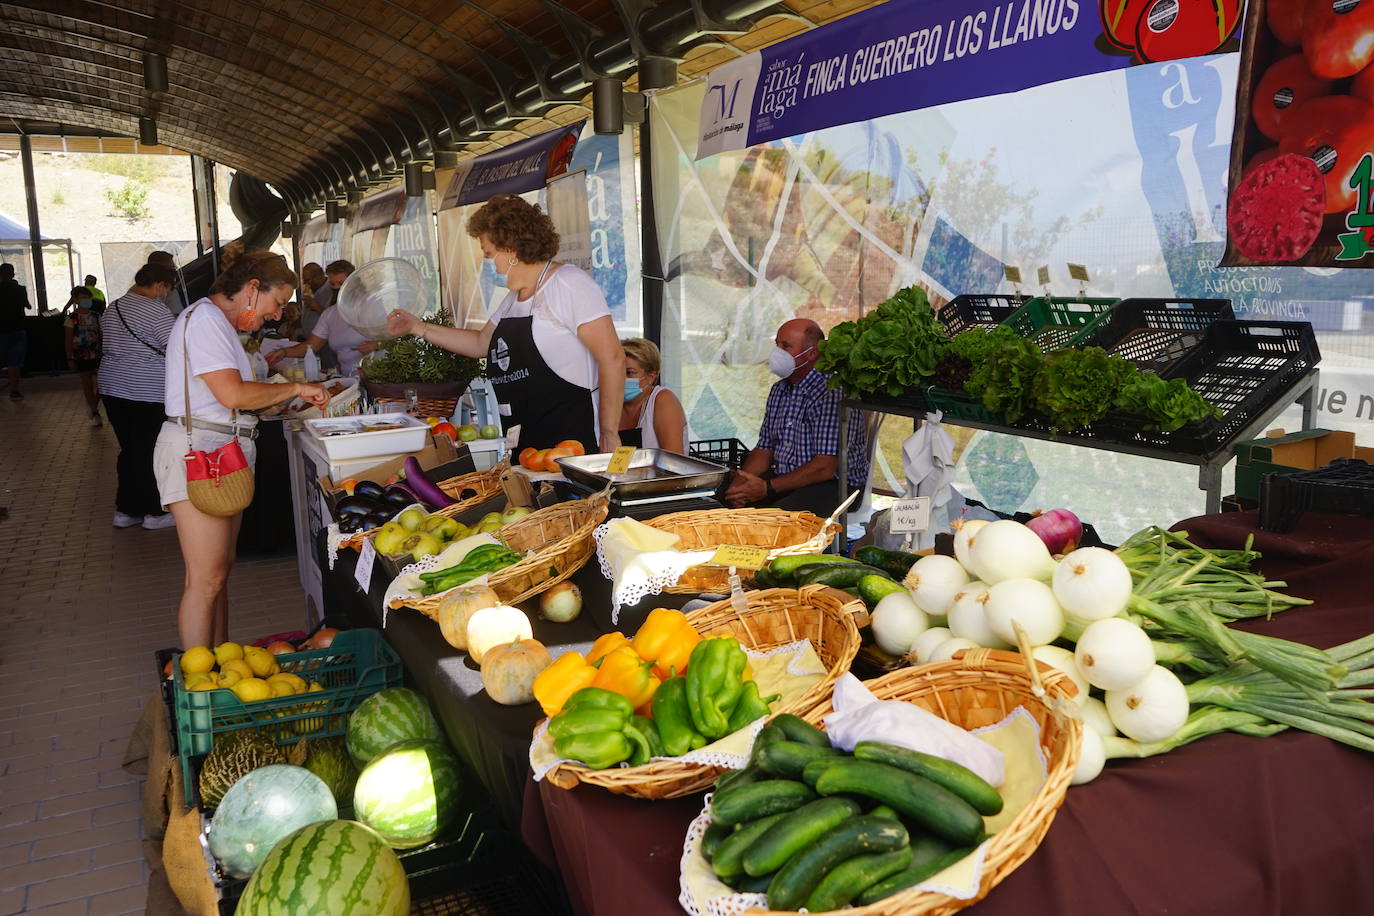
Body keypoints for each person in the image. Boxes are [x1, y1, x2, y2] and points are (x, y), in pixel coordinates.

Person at [152, 252, 328, 649]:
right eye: (277, 303)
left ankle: (221, 660)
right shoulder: (205, 321)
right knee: (206, 578)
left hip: (221, 453)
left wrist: (278, 401)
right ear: (252, 290)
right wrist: (296, 388)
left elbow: (233, 401)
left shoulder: (220, 326)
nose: (277, 315)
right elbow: (231, 393)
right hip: (200, 454)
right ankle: (199, 682)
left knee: (219, 573)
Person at [385, 194, 624, 453]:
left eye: (489, 253)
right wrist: (417, 327)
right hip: (527, 443)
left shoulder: (568, 285)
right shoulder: (513, 299)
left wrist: (610, 432)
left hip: (572, 440)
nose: (488, 263)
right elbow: (480, 343)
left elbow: (612, 357)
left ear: (512, 250)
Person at [723, 318, 871, 518]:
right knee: (724, 506)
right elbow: (764, 447)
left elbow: (824, 467)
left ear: (811, 354)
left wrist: (767, 487)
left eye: (786, 346)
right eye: (777, 344)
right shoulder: (779, 389)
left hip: (835, 484)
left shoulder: (831, 391)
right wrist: (742, 484)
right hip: (783, 478)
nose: (777, 352)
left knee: (775, 521)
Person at [100, 263, 178, 530]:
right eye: (166, 289)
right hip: (145, 390)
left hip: (111, 387)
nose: (165, 295)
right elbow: (175, 350)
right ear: (159, 286)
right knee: (150, 450)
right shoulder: (157, 310)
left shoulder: (113, 308)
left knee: (130, 449)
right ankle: (154, 512)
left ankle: (126, 510)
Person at [618, 338, 687, 453]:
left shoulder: (663, 400)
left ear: (651, 377)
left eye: (629, 373)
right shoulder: (607, 403)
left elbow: (674, 461)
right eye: (618, 372)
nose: (621, 378)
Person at [63, 285, 103, 427]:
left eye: (88, 298)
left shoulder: (96, 316)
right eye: (83, 298)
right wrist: (69, 358)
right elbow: (68, 340)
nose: (86, 300)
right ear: (75, 300)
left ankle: (93, 405)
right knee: (87, 384)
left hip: (97, 355)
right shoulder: (71, 318)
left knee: (102, 383)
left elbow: (102, 335)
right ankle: (94, 410)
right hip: (81, 356)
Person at [0, 263, 30, 400]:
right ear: (13, 274)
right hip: (18, 328)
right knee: (15, 362)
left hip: (1, 329)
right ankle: (14, 391)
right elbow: (28, 306)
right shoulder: (20, 289)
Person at [299, 262, 328, 336]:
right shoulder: (313, 291)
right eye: (304, 280)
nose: (305, 283)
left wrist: (317, 307)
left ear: (318, 276)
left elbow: (335, 319)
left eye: (308, 280)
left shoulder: (331, 291)